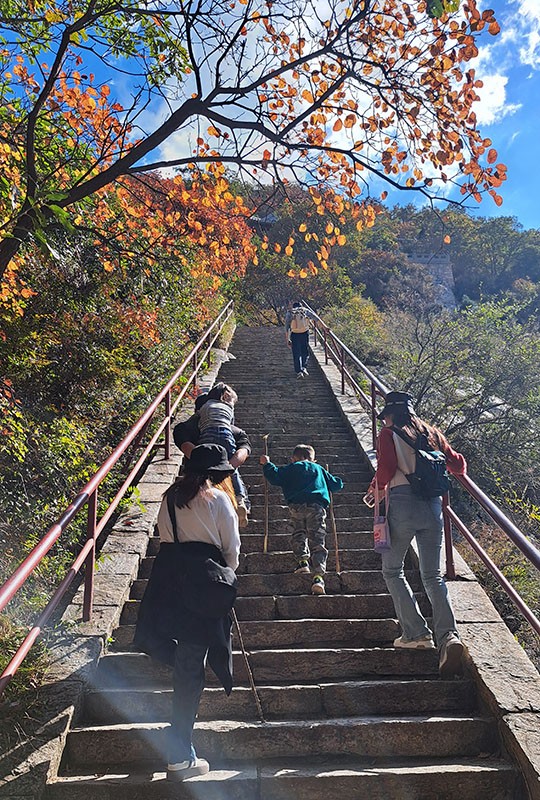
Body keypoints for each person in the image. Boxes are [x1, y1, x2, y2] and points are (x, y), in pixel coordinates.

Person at [133, 444, 241, 781]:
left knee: (182, 659)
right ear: (216, 473)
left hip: (169, 580)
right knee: (191, 668)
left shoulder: (170, 497)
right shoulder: (219, 499)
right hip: (203, 586)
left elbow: (165, 537)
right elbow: (231, 550)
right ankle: (179, 754)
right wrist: (225, 581)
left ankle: (179, 747)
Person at [365, 390, 467, 679]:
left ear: (389, 414)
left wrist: (375, 488)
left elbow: (386, 470)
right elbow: (458, 465)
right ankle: (449, 637)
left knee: (392, 570)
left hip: (403, 503)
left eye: (384, 416)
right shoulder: (432, 433)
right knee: (433, 575)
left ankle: (416, 633)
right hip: (433, 507)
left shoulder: (388, 434)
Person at [260, 443, 343, 595]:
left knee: (298, 533)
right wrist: (334, 478)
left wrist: (267, 464)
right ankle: (318, 577)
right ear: (312, 458)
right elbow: (337, 485)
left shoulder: (292, 467)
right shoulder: (319, 469)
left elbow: (275, 476)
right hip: (316, 507)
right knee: (317, 539)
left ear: (294, 458)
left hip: (296, 506)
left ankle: (302, 562)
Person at [173, 383, 251, 527]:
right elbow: (244, 448)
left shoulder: (190, 425)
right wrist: (228, 467)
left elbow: (182, 438)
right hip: (227, 448)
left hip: (198, 473)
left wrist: (201, 459)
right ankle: (240, 501)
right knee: (234, 474)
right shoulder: (234, 428)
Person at [284, 300, 315, 379]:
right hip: (304, 333)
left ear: (293, 307)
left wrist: (287, 340)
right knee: (305, 351)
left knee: (296, 353)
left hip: (295, 334)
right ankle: (304, 367)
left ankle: (299, 371)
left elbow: (287, 328)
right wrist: (325, 328)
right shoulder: (305, 311)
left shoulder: (290, 313)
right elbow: (316, 318)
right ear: (301, 306)